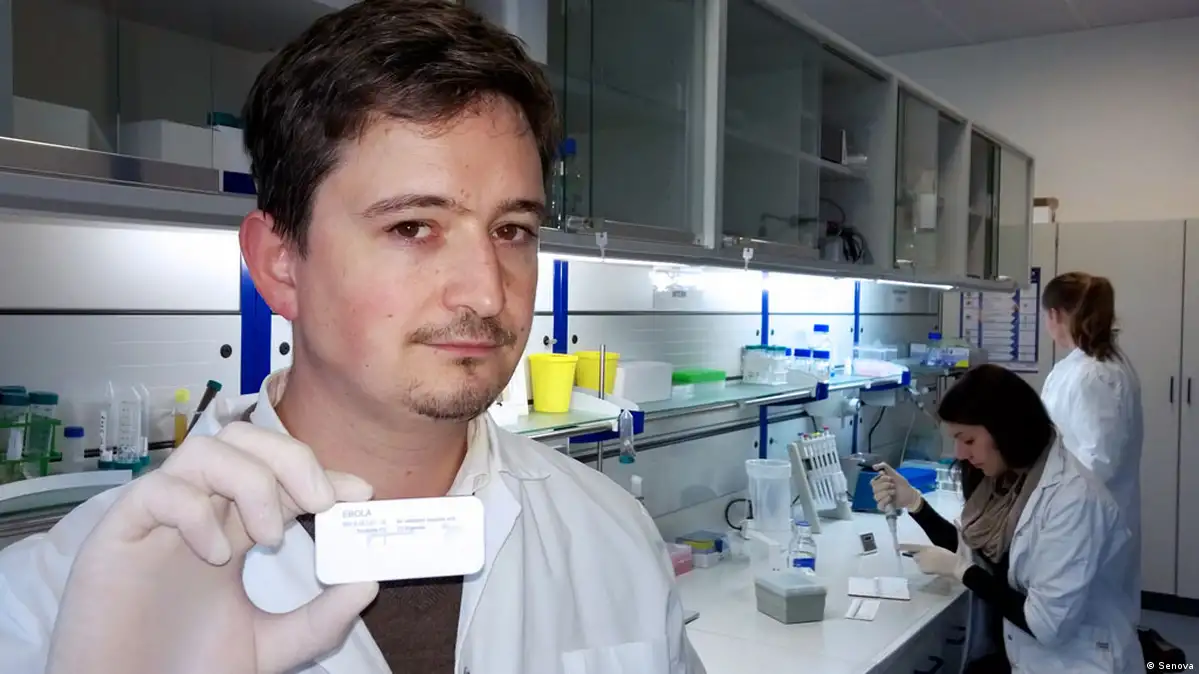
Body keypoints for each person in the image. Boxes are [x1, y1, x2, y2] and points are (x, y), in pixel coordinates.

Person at [0, 3, 704, 673]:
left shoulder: (613, 535)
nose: (487, 292)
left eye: (511, 230)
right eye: (412, 227)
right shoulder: (59, 597)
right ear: (280, 265)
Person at [873, 365, 1142, 673]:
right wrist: (915, 503)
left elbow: (1046, 625)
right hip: (1025, 654)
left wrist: (961, 571)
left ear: (1005, 430)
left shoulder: (1073, 501)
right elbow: (978, 555)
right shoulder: (1013, 480)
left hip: (1080, 661)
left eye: (968, 440)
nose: (959, 453)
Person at [1040, 271, 1143, 601]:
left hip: (1088, 523)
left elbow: (1098, 463)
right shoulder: (1083, 366)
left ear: (1055, 314)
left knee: (1090, 618)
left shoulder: (1095, 374)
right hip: (1080, 516)